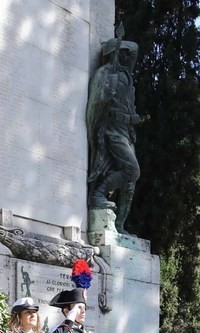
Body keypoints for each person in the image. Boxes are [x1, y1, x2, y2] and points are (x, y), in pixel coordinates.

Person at [86, 29, 140, 233]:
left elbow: (134, 48)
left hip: (127, 129)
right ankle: (98, 194)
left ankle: (119, 225)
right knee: (132, 171)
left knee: (129, 184)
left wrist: (119, 43)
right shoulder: (105, 74)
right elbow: (96, 106)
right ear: (113, 54)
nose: (127, 57)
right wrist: (97, 133)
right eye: (122, 54)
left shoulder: (126, 75)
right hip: (112, 129)